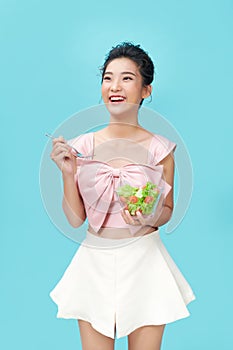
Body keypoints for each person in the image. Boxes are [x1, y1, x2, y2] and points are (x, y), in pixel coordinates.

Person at [49, 42, 196, 350]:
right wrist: (67, 173)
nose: (115, 86)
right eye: (108, 78)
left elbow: (167, 209)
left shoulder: (162, 148)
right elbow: (76, 220)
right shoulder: (80, 147)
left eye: (127, 78)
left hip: (146, 262)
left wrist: (149, 215)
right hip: (94, 262)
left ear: (146, 90)